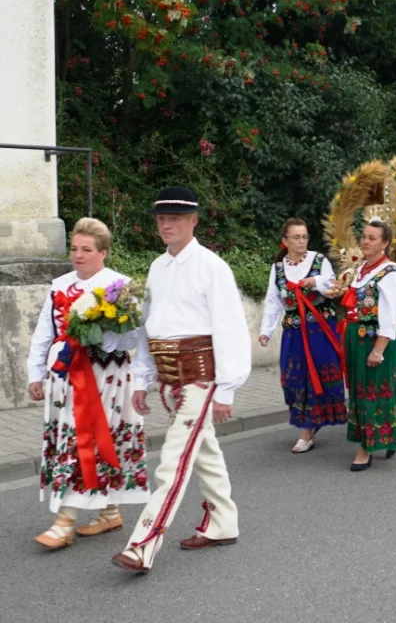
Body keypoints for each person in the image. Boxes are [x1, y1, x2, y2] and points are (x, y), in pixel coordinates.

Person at [113, 186, 251, 575]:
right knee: (203, 452)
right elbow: (148, 329)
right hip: (171, 377)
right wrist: (141, 379)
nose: (166, 224)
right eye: (161, 218)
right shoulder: (158, 266)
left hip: (202, 379)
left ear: (194, 221)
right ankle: (223, 522)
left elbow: (230, 329)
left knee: (171, 462)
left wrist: (227, 388)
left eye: (174, 218)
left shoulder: (212, 267)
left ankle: (143, 544)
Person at [27, 218, 149, 549]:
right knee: (78, 441)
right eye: (74, 249)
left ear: (103, 253)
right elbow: (44, 333)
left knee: (91, 441)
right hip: (66, 378)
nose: (78, 256)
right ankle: (109, 512)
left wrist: (101, 334)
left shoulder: (120, 287)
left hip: (106, 379)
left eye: (86, 250)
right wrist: (35, 373)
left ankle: (64, 523)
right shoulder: (58, 285)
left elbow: (132, 340)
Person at [259, 218, 346, 453]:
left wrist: (315, 281)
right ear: (284, 241)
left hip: (319, 329)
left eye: (304, 236)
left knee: (319, 377)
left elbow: (333, 288)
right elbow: (273, 301)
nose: (302, 241)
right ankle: (309, 421)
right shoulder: (278, 269)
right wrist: (265, 331)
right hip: (294, 332)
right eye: (296, 237)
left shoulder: (318, 261)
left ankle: (307, 430)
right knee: (292, 378)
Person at [339, 220, 396, 469]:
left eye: (372, 238)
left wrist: (378, 349)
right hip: (357, 340)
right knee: (362, 391)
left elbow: (391, 316)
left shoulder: (390, 273)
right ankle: (387, 436)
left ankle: (367, 447)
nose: (365, 241)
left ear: (384, 244)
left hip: (377, 341)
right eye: (364, 236)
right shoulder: (362, 269)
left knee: (376, 391)